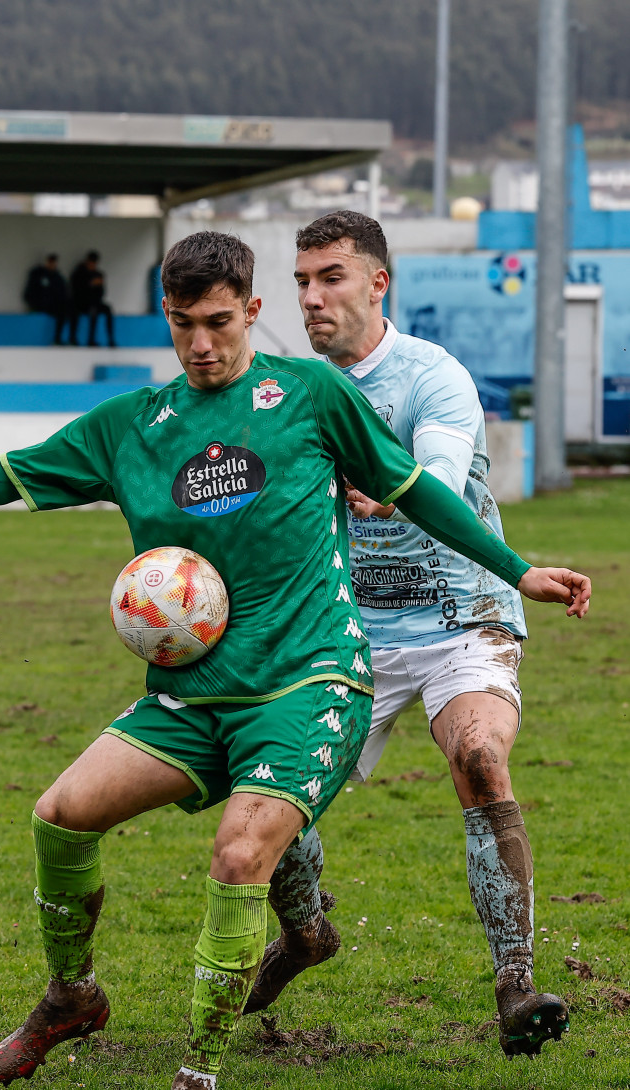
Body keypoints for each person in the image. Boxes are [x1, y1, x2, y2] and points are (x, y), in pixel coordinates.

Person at [0, 232, 590, 1089]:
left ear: (251, 311)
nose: (201, 345)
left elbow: (415, 488)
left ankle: (198, 1070)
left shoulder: (309, 395)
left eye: (218, 323)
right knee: (61, 813)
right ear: (164, 316)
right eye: (182, 325)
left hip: (310, 683)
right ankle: (71, 995)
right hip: (191, 697)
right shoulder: (132, 426)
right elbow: (3, 475)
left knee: (240, 857)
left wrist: (519, 569)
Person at [245, 210, 576, 1058]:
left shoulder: (431, 375)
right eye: (302, 283)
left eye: (331, 278)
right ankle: (309, 931)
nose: (313, 298)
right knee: (269, 800)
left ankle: (515, 984)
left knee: (478, 756)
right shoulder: (287, 390)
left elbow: (436, 464)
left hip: (463, 617)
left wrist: (391, 488)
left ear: (377, 282)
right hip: (345, 632)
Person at [69, 250, 116, 347]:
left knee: (107, 309)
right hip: (81, 303)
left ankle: (110, 339)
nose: (92, 264)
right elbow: (76, 290)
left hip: (94, 302)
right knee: (88, 310)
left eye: (94, 262)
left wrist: (97, 286)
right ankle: (79, 339)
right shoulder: (79, 273)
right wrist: (90, 284)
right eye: (91, 262)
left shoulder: (98, 274)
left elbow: (102, 293)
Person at [22, 253, 70, 346]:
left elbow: (63, 293)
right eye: (50, 262)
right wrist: (33, 304)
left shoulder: (58, 277)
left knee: (64, 311)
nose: (52, 265)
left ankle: (58, 338)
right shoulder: (37, 274)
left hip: (53, 306)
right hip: (40, 305)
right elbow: (30, 291)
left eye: (54, 263)